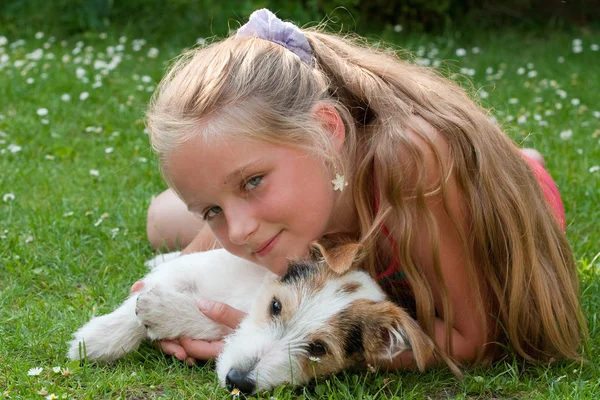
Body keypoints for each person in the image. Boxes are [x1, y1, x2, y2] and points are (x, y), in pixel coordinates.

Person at [140, 9, 586, 369]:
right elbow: (183, 272)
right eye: (211, 210)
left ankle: (525, 163)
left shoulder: (416, 164)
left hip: (477, 203)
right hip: (337, 201)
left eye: (252, 181)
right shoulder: (274, 203)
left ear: (325, 130)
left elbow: (473, 341)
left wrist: (298, 350)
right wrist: (165, 296)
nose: (237, 230)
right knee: (162, 219)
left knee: (524, 172)